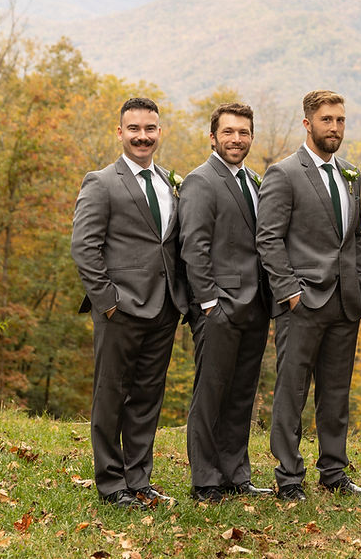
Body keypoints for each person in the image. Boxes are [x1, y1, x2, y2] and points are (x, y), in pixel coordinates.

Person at [256, 89, 361, 500]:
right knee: (292, 392)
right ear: (307, 123)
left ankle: (334, 472)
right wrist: (290, 292)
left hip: (346, 302)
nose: (335, 127)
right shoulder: (284, 173)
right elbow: (268, 239)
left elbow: (355, 236)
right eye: (327, 120)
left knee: (336, 392)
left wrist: (360, 282)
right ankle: (289, 477)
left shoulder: (351, 173)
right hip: (302, 303)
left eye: (340, 120)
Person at [71, 97, 188, 508]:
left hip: (164, 308)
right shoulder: (101, 182)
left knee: (147, 397)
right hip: (119, 310)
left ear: (160, 132)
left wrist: (180, 299)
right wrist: (107, 302)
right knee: (110, 397)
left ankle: (139, 479)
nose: (143, 136)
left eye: (150, 129)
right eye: (134, 129)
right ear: (120, 132)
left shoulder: (170, 182)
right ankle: (110, 483)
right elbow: (84, 247)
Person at [179, 103, 274, 503]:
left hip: (255, 305)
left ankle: (236, 474)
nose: (237, 139)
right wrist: (208, 303)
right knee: (211, 395)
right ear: (213, 137)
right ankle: (205, 480)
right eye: (229, 132)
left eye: (244, 132)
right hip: (218, 307)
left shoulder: (253, 180)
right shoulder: (201, 181)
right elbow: (193, 246)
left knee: (241, 394)